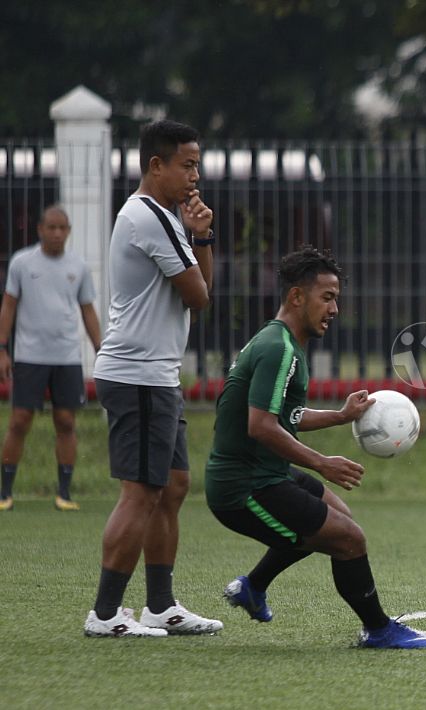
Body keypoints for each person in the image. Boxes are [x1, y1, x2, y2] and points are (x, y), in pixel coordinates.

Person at [206, 247, 426, 650]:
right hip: (243, 488)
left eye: (336, 299)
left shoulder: (280, 342)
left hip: (265, 473)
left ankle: (252, 586)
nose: (335, 309)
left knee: (338, 516)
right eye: (327, 298)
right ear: (297, 297)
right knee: (348, 539)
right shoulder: (279, 350)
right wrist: (321, 463)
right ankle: (378, 629)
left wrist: (341, 416)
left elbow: (284, 415)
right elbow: (261, 426)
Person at [84, 119, 223, 638]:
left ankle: (160, 606)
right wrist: (197, 235)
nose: (195, 176)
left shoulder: (164, 217)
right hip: (138, 375)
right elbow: (199, 295)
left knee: (173, 487)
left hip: (156, 375)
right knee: (140, 492)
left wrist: (204, 234)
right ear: (155, 166)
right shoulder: (150, 217)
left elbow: (201, 290)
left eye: (197, 165)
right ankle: (104, 614)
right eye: (186, 165)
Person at [0, 205, 102, 511]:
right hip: (30, 356)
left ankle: (65, 493)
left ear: (69, 231)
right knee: (19, 421)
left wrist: (103, 349)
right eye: (51, 227)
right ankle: (5, 492)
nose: (57, 233)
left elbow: (87, 311)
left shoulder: (79, 267)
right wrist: (2, 348)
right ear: (40, 230)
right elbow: (8, 306)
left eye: (62, 228)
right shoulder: (22, 263)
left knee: (66, 421)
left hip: (67, 356)